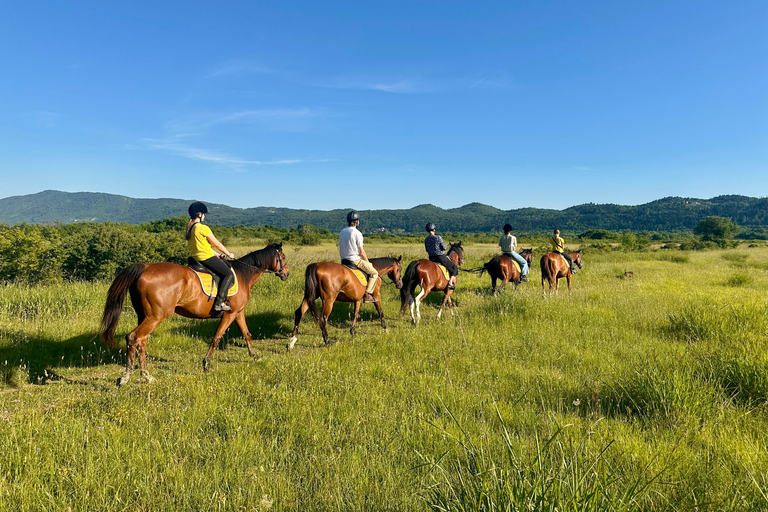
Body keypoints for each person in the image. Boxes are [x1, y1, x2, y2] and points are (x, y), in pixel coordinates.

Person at [186, 201, 236, 312]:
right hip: (205, 258)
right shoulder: (203, 228)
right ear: (199, 214)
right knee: (228, 274)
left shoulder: (190, 228)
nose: (204, 216)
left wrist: (218, 255)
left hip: (196, 258)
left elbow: (203, 247)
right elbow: (217, 244)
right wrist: (229, 254)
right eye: (203, 214)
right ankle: (219, 303)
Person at [339, 211, 379, 302]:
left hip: (344, 260)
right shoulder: (357, 233)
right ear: (356, 221)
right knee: (374, 273)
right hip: (355, 260)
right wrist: (368, 262)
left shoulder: (342, 231)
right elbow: (362, 252)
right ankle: (368, 294)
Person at [425, 223, 458, 289]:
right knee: (454, 267)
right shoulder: (438, 237)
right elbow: (444, 247)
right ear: (434, 229)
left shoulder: (426, 239)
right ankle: (450, 283)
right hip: (440, 257)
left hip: (431, 258)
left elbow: (427, 250)